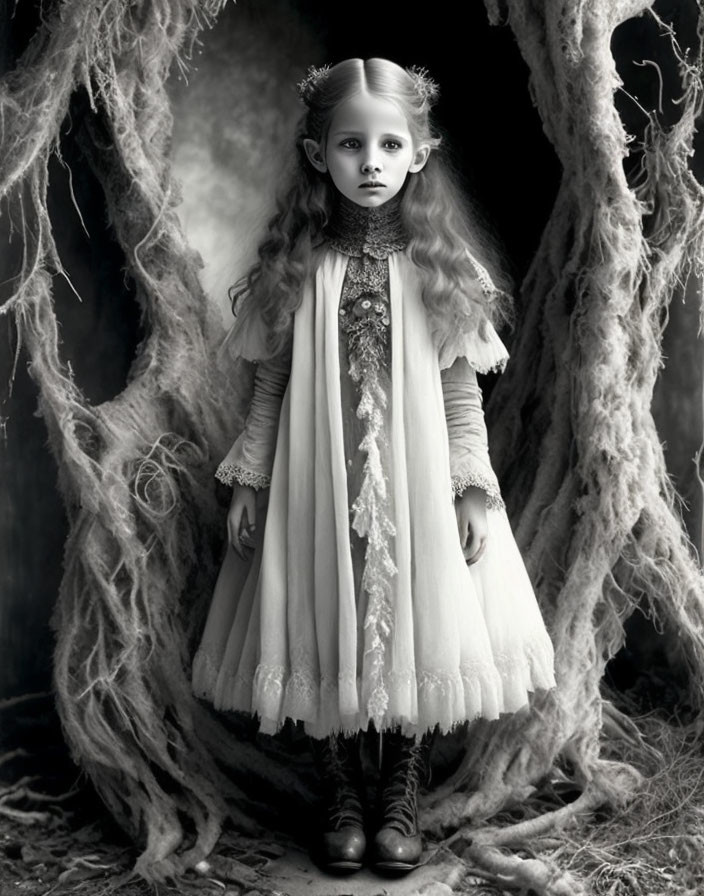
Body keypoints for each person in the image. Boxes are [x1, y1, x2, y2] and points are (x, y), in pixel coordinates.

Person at [192, 57, 555, 877]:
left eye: (390, 144)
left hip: (415, 482)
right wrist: (250, 477)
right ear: (320, 155)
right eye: (352, 145)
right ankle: (341, 787)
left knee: (413, 613)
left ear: (419, 153)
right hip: (320, 483)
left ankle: (402, 782)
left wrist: (469, 484)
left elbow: (463, 398)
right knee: (328, 610)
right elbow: (271, 388)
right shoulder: (299, 269)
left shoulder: (437, 271)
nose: (372, 162)